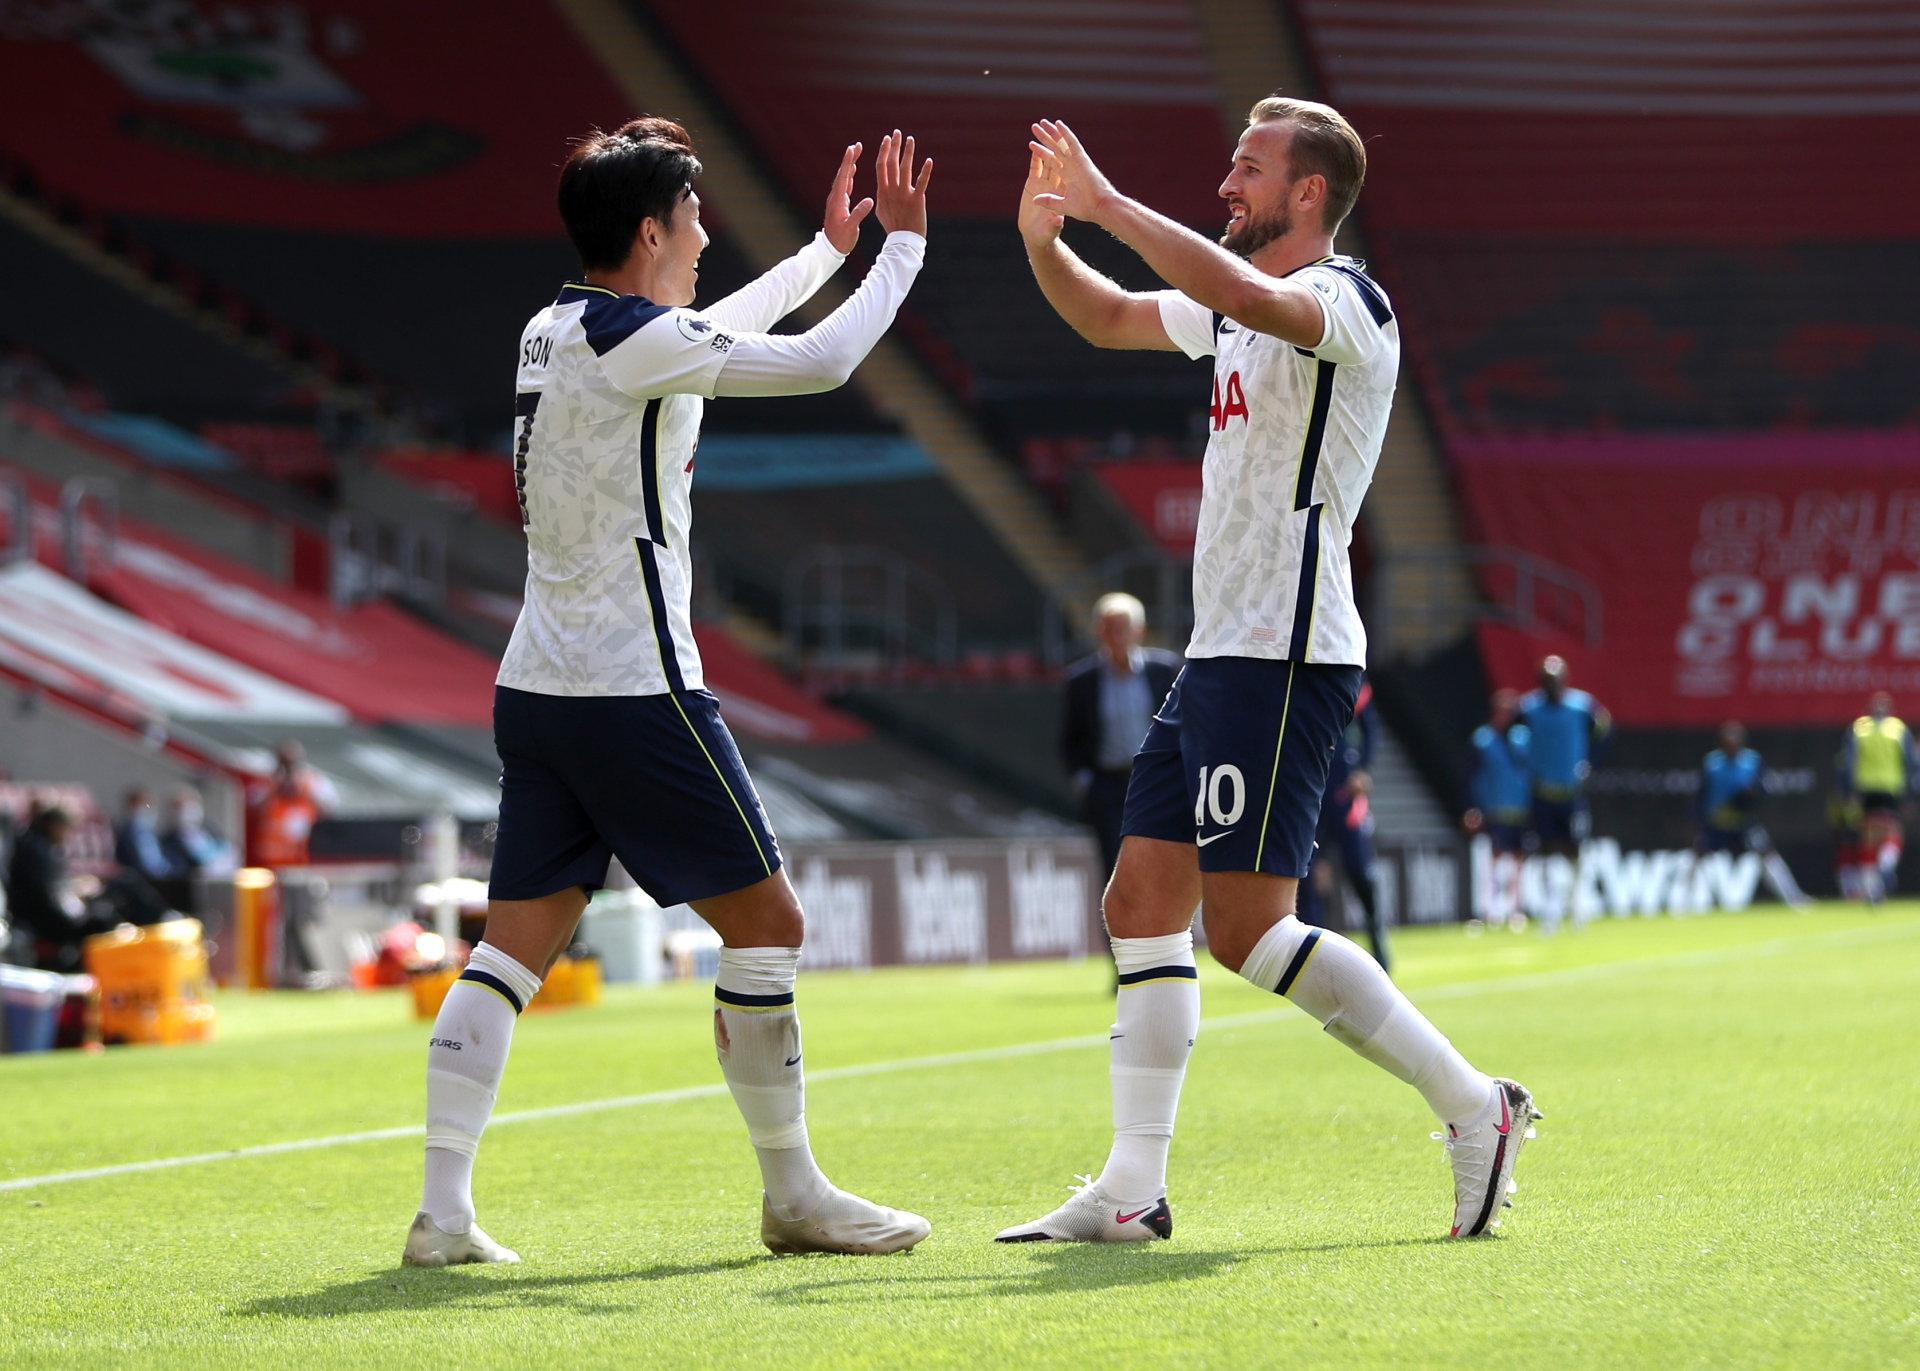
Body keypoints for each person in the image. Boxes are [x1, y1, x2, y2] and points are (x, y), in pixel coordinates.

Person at [997, 98, 1538, 1246]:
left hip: (1286, 653)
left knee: (1246, 929)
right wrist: (1049, 244)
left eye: (1250, 169)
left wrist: (1106, 203)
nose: (1228, 182)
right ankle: (1132, 1192)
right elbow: (1108, 319)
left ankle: (1473, 1105)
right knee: (1138, 904)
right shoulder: (1235, 310)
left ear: (1308, 195)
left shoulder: (1346, 304)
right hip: (1218, 652)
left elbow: (1250, 295)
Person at [404, 119, 937, 1268]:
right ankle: (794, 1196)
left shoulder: (556, 328)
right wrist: (899, 251)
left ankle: (442, 1214)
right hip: (632, 688)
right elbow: (820, 363)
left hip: (537, 683)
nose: (703, 237)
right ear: (651, 228)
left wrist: (815, 255)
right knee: (771, 929)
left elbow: (708, 332)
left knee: (510, 951)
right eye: (693, 219)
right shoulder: (629, 340)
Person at [1060, 592, 1182, 883]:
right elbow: (1070, 737)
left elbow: (1183, 725)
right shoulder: (1082, 680)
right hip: (1108, 787)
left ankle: (1164, 929)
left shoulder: (1164, 671)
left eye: (1123, 628)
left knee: (1163, 863)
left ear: (1139, 630)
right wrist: (1085, 781)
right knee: (1115, 869)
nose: (1117, 636)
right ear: (1098, 632)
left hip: (1156, 783)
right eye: (1109, 628)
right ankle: (1116, 930)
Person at [1296, 677, 1389, 969]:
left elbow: (1371, 729)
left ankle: (1376, 938)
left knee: (1359, 868)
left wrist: (1364, 770)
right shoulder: (1295, 679)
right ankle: (1315, 953)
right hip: (1309, 788)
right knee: (1309, 874)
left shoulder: (1351, 678)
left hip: (1343, 792)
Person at [1696, 721, 1809, 908]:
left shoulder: (1752, 761)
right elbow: (1701, 795)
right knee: (1697, 857)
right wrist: (1699, 823)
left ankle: (1794, 898)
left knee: (1768, 854)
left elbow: (1765, 787)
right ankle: (1684, 902)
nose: (1731, 746)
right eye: (1727, 742)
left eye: (1734, 741)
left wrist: (1753, 792)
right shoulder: (1712, 764)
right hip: (1717, 821)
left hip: (1743, 821)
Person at [1516, 656, 1610, 861]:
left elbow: (1605, 730)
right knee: (1542, 847)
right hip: (1541, 792)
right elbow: (1511, 735)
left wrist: (1590, 763)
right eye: (1547, 680)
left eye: (1556, 679)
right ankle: (1544, 889)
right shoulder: (1529, 707)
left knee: (1574, 846)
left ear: (1565, 679)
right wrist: (1523, 761)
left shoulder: (1581, 706)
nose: (1552, 685)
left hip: (1571, 793)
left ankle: (1573, 891)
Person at [6, 807, 114, 972]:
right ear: (54, 826)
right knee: (102, 921)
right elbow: (47, 896)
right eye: (67, 829)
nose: (70, 835)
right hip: (39, 919)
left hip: (49, 911)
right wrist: (76, 915)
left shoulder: (45, 847)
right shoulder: (36, 850)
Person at [1840, 692, 1918, 903]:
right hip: (1890, 788)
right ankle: (1886, 866)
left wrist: (1849, 793)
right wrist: (1911, 793)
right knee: (1892, 833)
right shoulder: (1898, 729)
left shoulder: (1859, 729)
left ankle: (1871, 887)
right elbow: (1911, 762)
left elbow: (1847, 763)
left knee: (1869, 836)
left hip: (1865, 788)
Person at [1463, 689, 1532, 928]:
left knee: (1516, 860)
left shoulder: (1522, 738)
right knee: (1491, 860)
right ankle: (1489, 909)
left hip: (1518, 809)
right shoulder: (1482, 740)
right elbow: (1471, 776)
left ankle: (1514, 909)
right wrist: (1472, 807)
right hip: (1492, 809)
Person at [245, 742, 337, 869]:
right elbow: (252, 808)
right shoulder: (267, 782)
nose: (289, 769)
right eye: (285, 763)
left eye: (293, 763)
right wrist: (275, 788)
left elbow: (328, 809)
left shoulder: (313, 782)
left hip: (303, 856)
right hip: (271, 858)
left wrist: (304, 791)